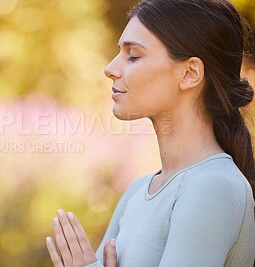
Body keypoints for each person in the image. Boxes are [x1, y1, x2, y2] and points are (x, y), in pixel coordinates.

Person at [45, 0, 255, 266]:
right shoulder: (136, 192)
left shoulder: (213, 186)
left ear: (190, 73)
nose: (110, 69)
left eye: (133, 56)